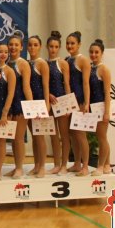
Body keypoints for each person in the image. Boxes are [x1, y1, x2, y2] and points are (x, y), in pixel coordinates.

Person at [5, 33, 33, 179]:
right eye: (11, 44)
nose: (13, 47)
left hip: (21, 104)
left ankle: (20, 168)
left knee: (19, 138)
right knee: (12, 138)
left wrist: (32, 108)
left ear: (21, 47)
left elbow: (27, 87)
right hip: (9, 104)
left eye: (16, 45)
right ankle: (17, 166)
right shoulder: (6, 62)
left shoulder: (23, 64)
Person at [66, 31, 91, 176]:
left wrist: (86, 103)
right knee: (73, 134)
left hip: (80, 101)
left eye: (73, 43)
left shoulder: (83, 60)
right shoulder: (67, 60)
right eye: (68, 43)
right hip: (70, 102)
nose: (70, 46)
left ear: (79, 44)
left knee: (81, 135)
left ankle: (85, 165)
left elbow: (86, 83)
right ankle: (76, 163)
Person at [46, 31, 71, 175]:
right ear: (47, 47)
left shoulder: (63, 63)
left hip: (61, 101)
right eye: (51, 46)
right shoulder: (44, 63)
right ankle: (56, 164)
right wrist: (47, 94)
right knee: (52, 134)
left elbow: (67, 84)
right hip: (49, 101)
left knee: (64, 135)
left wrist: (68, 104)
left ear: (59, 48)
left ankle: (64, 165)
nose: (53, 49)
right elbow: (42, 83)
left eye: (56, 47)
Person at [26, 36, 50, 178]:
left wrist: (46, 105)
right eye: (30, 45)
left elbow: (46, 86)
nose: (32, 47)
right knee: (34, 136)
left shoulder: (42, 64)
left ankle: (42, 166)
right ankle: (36, 165)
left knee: (40, 136)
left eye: (35, 45)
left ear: (40, 47)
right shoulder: (27, 63)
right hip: (29, 103)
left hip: (39, 102)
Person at [0, 43, 15, 180]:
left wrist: (5, 113)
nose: (3, 54)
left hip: (2, 110)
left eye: (6, 52)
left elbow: (10, 94)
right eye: (0, 51)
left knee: (0, 141)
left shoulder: (9, 71)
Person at [88, 39, 112, 176]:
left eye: (96, 52)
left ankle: (101, 166)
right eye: (91, 52)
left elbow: (107, 92)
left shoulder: (104, 69)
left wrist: (107, 112)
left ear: (102, 53)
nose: (93, 54)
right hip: (92, 107)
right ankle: (107, 163)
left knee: (102, 137)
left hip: (101, 107)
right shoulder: (91, 67)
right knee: (100, 136)